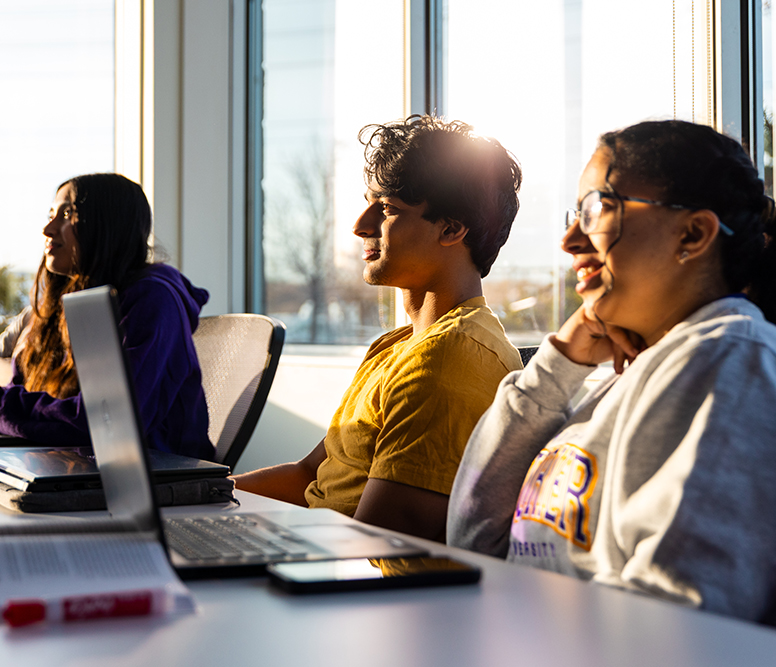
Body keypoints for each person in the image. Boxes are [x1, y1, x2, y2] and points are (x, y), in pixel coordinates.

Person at [447, 120, 776, 624]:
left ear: (693, 234)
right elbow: (474, 543)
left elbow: (678, 622)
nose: (569, 240)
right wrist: (559, 362)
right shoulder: (621, 373)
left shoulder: (728, 362)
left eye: (598, 209)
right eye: (573, 213)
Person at [234, 115, 524, 542]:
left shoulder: (447, 359)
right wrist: (196, 500)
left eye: (387, 209)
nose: (360, 225)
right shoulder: (398, 346)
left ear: (451, 228)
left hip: (347, 585)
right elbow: (309, 476)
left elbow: (374, 545)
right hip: (315, 555)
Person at [0, 173, 215, 461]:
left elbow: (107, 423)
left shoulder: (153, 301)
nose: (48, 229)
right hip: (71, 466)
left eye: (67, 213)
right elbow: (29, 397)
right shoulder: (64, 307)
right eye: (50, 214)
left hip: (162, 483)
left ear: (107, 223)